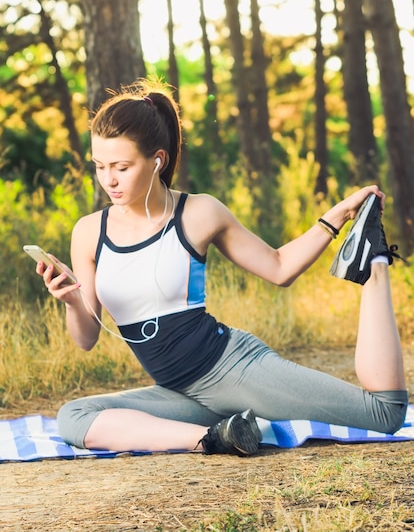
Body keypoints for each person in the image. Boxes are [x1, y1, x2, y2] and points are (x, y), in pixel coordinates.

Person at [36, 78, 408, 456]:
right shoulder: (88, 232)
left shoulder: (197, 213)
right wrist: (70, 300)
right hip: (181, 392)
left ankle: (374, 261)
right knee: (74, 415)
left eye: (122, 166)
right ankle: (215, 437)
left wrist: (338, 216)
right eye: (100, 166)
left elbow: (279, 268)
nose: (109, 180)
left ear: (157, 160)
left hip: (233, 369)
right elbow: (86, 339)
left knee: (385, 413)